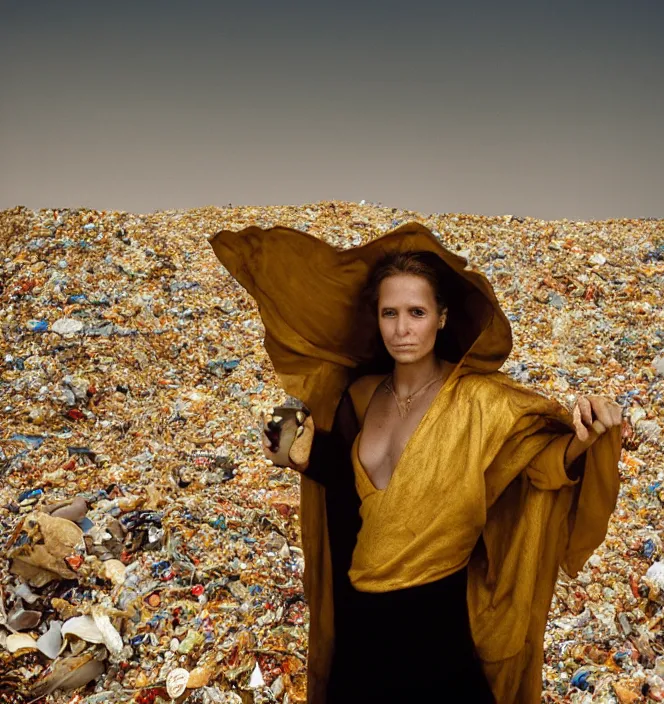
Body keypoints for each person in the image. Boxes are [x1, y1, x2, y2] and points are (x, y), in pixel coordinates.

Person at [209, 222, 622, 704]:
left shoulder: (479, 401)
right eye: (390, 313)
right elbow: (356, 493)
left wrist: (585, 439)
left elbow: (539, 465)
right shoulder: (362, 395)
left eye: (416, 312)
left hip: (435, 632)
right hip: (360, 627)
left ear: (441, 318)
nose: (402, 329)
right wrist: (304, 457)